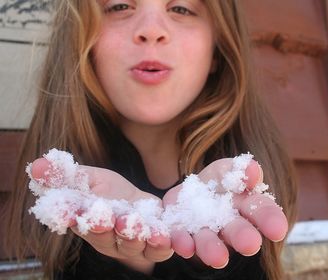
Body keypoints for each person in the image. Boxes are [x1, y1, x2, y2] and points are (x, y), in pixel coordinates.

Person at [4, 0, 297, 279]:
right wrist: (119, 261)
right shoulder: (65, 184)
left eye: (181, 8)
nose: (152, 29)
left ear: (218, 51)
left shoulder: (245, 182)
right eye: (120, 6)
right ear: (81, 43)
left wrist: (214, 264)